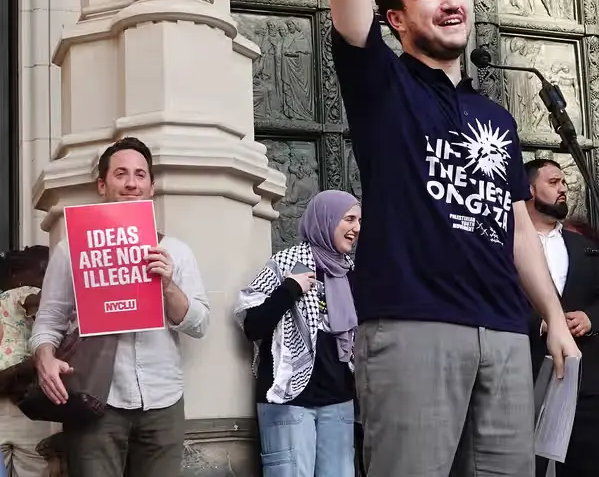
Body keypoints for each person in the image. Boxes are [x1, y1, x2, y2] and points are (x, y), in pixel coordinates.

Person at [323, 0, 579, 477]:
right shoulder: (383, 85)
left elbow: (517, 227)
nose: (451, 0)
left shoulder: (494, 116)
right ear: (396, 20)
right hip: (413, 327)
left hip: (502, 331)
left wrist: (550, 317)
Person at [30, 137, 209, 477]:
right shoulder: (72, 250)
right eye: (121, 174)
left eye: (140, 175)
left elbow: (199, 325)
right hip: (97, 398)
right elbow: (48, 321)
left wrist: (168, 286)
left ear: (151, 187)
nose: (131, 183)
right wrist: (45, 358)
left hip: (163, 399)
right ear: (102, 184)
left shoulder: (176, 251)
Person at [236, 190, 361, 477]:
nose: (356, 228)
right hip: (289, 403)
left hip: (339, 403)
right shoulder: (286, 264)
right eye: (349, 219)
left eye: (359, 220)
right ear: (325, 220)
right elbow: (251, 325)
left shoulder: (351, 274)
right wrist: (289, 289)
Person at [524, 159, 599, 477]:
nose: (563, 188)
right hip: (527, 367)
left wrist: (590, 318)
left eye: (564, 182)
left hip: (584, 372)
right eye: (553, 182)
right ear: (530, 189)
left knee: (587, 462)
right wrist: (543, 322)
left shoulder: (585, 247)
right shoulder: (508, 246)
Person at [0, 247, 57, 477]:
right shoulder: (25, 291)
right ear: (16, 274)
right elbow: (36, 300)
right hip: (27, 404)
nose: (47, 280)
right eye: (44, 272)